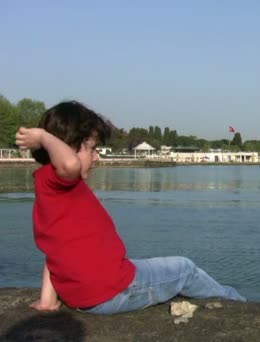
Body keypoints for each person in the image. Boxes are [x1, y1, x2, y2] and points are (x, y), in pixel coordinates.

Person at [15, 101, 245, 314]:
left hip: (86, 295)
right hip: (112, 292)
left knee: (147, 266)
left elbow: (54, 250)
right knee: (185, 269)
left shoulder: (49, 187)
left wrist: (48, 301)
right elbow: (70, 164)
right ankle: (239, 307)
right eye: (92, 148)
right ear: (69, 146)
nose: (97, 158)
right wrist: (43, 137)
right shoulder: (59, 180)